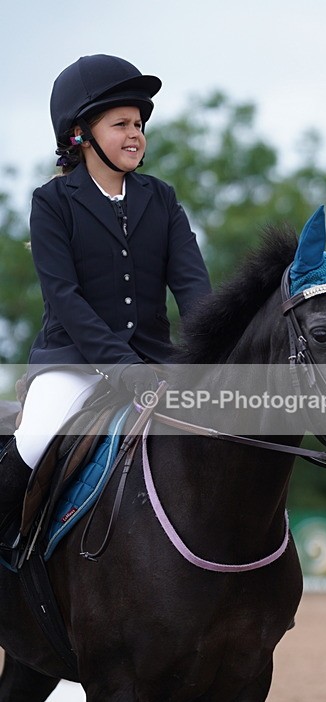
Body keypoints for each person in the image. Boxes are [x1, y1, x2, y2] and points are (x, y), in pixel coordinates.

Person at [0, 54, 211, 545]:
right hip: (72, 364)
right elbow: (65, 298)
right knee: (34, 440)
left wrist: (213, 353)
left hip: (158, 362)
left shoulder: (161, 198)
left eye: (139, 123)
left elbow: (194, 288)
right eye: (120, 124)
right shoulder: (50, 203)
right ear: (81, 135)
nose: (135, 133)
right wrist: (121, 366)